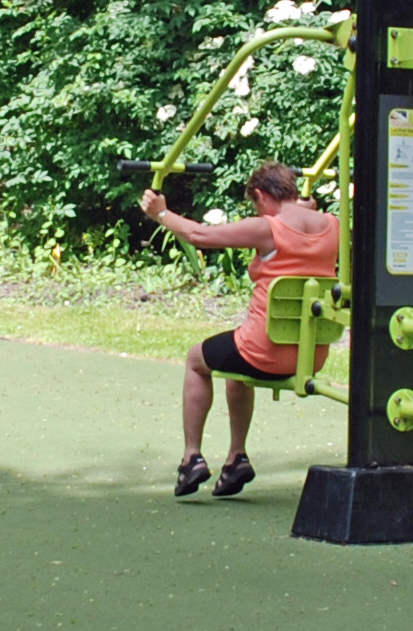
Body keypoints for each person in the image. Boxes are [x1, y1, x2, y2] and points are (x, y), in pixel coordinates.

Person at [139, 162, 341, 496]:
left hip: (264, 351)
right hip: (310, 354)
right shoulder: (332, 225)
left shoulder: (267, 228)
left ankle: (191, 458)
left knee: (196, 360)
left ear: (261, 195)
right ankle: (236, 459)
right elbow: (305, 225)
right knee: (234, 365)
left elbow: (199, 236)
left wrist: (161, 213)